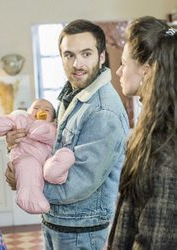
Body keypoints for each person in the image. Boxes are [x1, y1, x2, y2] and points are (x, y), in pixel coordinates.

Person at [6, 19, 129, 249]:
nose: (77, 63)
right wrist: (18, 143)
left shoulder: (103, 111)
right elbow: (52, 150)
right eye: (69, 55)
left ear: (101, 57)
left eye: (86, 54)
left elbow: (79, 182)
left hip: (81, 230)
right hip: (60, 222)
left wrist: (27, 182)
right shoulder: (72, 96)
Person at [108, 16, 177, 249]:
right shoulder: (152, 126)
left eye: (125, 64)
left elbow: (158, 238)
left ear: (146, 71)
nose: (118, 71)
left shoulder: (163, 142)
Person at [0, 98, 75, 214]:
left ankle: (56, 170)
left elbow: (53, 138)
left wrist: (42, 128)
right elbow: (0, 123)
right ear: (28, 112)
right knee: (27, 165)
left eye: (47, 110)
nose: (40, 110)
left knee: (56, 161)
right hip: (26, 159)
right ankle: (30, 198)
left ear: (53, 119)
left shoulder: (53, 128)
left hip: (47, 161)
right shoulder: (21, 119)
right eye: (36, 108)